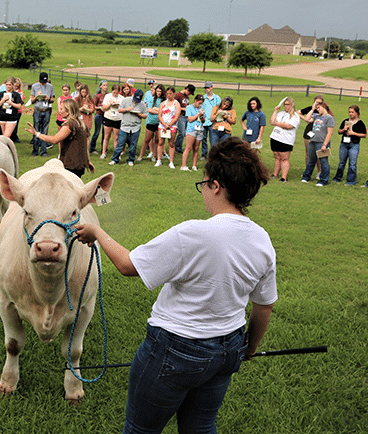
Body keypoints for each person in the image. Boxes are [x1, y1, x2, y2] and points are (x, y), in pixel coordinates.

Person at [75, 137, 276, 434]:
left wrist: (97, 231)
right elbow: (264, 305)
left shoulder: (193, 233)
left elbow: (129, 266)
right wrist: (249, 346)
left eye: (204, 183)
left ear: (216, 186)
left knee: (140, 430)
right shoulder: (262, 239)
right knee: (202, 427)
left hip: (175, 348)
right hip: (229, 347)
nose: (204, 190)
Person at [25, 98, 94, 177]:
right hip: (79, 165)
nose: (59, 111)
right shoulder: (81, 123)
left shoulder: (70, 124)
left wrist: (37, 134)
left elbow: (54, 140)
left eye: (61, 109)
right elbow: (86, 143)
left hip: (70, 165)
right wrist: (88, 161)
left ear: (68, 111)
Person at [300, 100, 335, 186]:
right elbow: (307, 119)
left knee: (323, 162)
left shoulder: (329, 118)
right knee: (311, 160)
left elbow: (329, 133)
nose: (317, 110)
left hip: (321, 143)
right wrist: (312, 109)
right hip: (313, 142)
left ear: (324, 107)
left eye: (319, 108)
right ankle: (306, 177)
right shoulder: (316, 116)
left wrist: (324, 145)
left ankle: (323, 180)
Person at [110, 89, 147, 166]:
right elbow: (119, 110)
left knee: (133, 145)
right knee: (120, 143)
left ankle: (131, 160)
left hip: (135, 127)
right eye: (135, 99)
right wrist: (127, 109)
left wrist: (138, 114)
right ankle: (115, 159)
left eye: (137, 100)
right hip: (125, 126)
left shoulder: (142, 104)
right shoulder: (125, 100)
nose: (135, 101)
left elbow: (145, 115)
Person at [268, 97, 301, 183]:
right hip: (275, 137)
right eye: (284, 105)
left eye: (287, 104)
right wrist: (275, 111)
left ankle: (284, 177)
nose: (285, 106)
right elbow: (271, 121)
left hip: (285, 140)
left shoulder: (295, 116)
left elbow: (288, 126)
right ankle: (275, 174)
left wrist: (277, 123)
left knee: (284, 158)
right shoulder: (280, 113)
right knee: (277, 157)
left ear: (292, 105)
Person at [332, 105, 367, 185]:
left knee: (352, 164)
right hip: (344, 144)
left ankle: (351, 181)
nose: (350, 114)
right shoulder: (346, 121)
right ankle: (337, 178)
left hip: (354, 144)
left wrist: (354, 133)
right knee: (341, 162)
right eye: (349, 112)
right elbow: (339, 131)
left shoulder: (360, 123)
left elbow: (364, 135)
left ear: (357, 113)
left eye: (352, 112)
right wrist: (343, 129)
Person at [30, 72, 56, 156]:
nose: (44, 83)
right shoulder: (34, 86)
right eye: (42, 81)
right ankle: (35, 150)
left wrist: (48, 99)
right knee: (36, 130)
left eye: (45, 81)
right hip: (38, 110)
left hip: (47, 110)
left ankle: (43, 151)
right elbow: (31, 100)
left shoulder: (50, 86)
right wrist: (36, 96)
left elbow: (53, 99)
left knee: (45, 131)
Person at [299, 95, 325, 178]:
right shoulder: (311, 109)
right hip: (309, 132)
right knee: (308, 153)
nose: (318, 104)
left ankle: (320, 172)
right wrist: (305, 118)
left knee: (318, 154)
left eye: (320, 103)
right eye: (316, 102)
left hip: (319, 133)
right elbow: (298, 112)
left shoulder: (323, 110)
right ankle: (307, 171)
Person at [155, 86, 180, 169]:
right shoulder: (163, 103)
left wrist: (169, 125)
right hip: (162, 125)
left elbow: (177, 116)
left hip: (172, 126)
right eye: (167, 93)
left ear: (174, 94)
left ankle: (171, 161)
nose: (169, 95)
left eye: (170, 93)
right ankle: (159, 160)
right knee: (160, 142)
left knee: (171, 143)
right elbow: (159, 115)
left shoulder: (176, 104)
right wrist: (164, 124)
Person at [138, 83, 163, 162]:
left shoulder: (163, 101)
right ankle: (141, 155)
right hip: (151, 121)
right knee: (147, 139)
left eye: (160, 91)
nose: (158, 93)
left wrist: (156, 109)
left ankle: (154, 156)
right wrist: (159, 111)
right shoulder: (152, 99)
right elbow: (149, 110)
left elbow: (164, 111)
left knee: (157, 140)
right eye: (157, 91)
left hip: (159, 122)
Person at [181, 94, 206, 171]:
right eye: (199, 103)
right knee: (188, 148)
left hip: (200, 129)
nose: (200, 105)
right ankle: (183, 165)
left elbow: (203, 121)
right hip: (191, 129)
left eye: (201, 103)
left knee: (196, 148)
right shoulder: (189, 108)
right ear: (195, 101)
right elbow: (190, 119)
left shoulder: (201, 108)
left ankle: (194, 165)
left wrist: (202, 116)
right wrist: (198, 114)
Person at [100, 84, 123, 159]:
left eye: (116, 93)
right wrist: (109, 104)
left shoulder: (121, 98)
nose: (115, 94)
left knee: (116, 137)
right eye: (114, 92)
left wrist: (118, 106)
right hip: (108, 118)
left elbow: (122, 109)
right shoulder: (107, 96)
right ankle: (103, 152)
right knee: (106, 136)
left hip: (117, 119)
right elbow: (104, 108)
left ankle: (116, 154)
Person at [200, 81, 221, 158]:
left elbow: (219, 109)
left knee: (213, 139)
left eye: (208, 87)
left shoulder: (217, 98)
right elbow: (200, 108)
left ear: (212, 87)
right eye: (206, 88)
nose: (207, 89)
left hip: (213, 121)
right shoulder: (203, 98)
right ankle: (204, 154)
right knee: (203, 138)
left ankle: (213, 155)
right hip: (204, 121)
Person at [173, 84, 195, 155]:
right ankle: (176, 146)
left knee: (184, 133)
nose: (189, 94)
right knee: (182, 132)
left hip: (186, 116)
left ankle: (179, 147)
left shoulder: (186, 96)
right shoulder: (178, 95)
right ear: (187, 89)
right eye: (189, 92)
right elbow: (175, 106)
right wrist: (184, 109)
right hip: (180, 116)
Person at [89, 80, 107, 154]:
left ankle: (104, 148)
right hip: (99, 115)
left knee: (105, 132)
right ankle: (92, 148)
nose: (105, 87)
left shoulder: (108, 95)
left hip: (106, 115)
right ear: (100, 86)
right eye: (104, 85)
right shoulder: (97, 95)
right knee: (97, 131)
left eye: (106, 85)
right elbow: (93, 106)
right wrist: (100, 107)